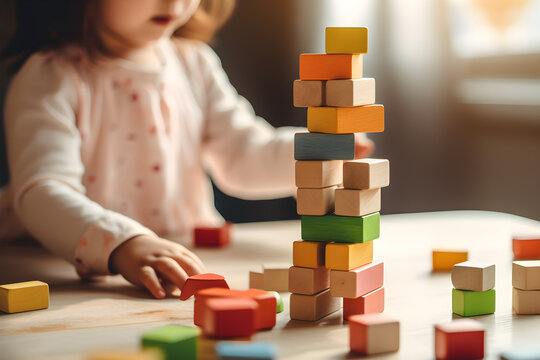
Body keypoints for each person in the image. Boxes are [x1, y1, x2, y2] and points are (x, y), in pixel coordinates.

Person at [1, 0, 374, 298]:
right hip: (74, 278)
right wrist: (122, 244)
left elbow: (243, 155)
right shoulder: (50, 76)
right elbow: (42, 192)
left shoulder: (193, 62)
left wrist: (311, 153)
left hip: (188, 266)